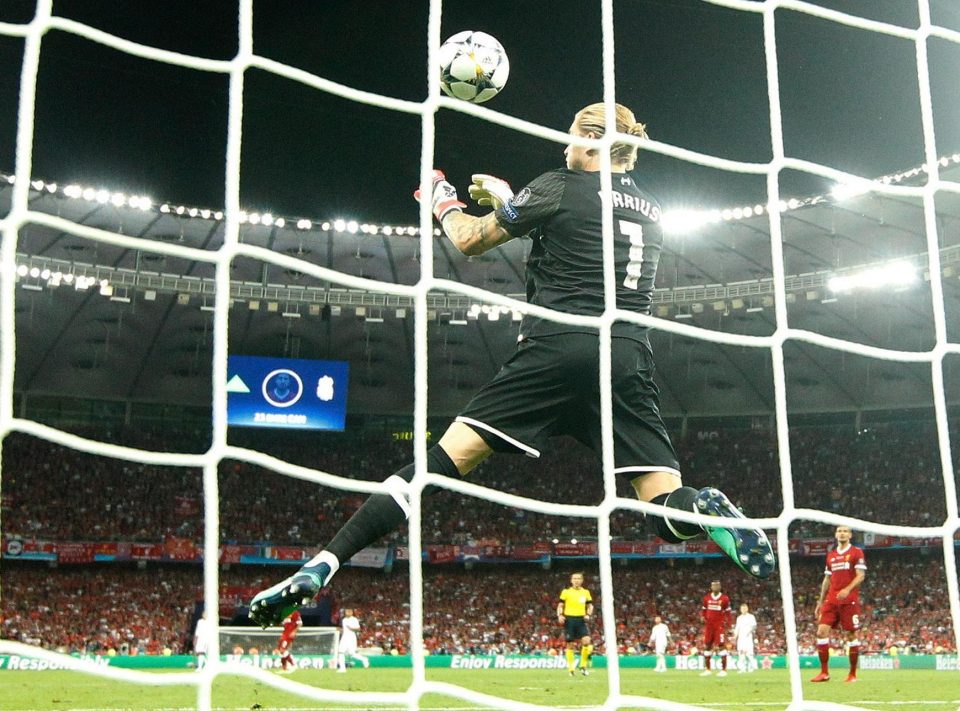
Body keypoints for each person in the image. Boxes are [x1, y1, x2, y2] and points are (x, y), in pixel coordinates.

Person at [248, 102, 776, 628]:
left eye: (570, 136)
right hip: (626, 359)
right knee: (663, 507)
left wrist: (440, 198)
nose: (563, 147)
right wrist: (514, 202)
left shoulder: (559, 184)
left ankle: (322, 565)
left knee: (438, 465)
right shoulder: (652, 210)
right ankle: (703, 510)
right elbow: (583, 233)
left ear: (592, 141)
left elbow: (470, 240)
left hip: (556, 350)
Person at [811, 525, 866, 683]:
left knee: (851, 635)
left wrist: (848, 590)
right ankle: (824, 673)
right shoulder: (831, 555)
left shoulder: (856, 552)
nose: (842, 533)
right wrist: (820, 602)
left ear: (850, 535)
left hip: (849, 600)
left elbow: (861, 576)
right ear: (836, 535)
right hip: (831, 600)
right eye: (839, 531)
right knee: (821, 632)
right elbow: (827, 579)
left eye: (845, 531)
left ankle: (852, 674)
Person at [557, 572, 594, 676]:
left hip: (581, 619)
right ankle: (571, 668)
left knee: (586, 640)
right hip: (569, 619)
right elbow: (560, 605)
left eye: (578, 578)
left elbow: (590, 606)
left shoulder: (586, 592)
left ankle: (582, 666)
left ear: (582, 580)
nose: (576, 580)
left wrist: (588, 614)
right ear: (571, 580)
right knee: (570, 644)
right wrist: (560, 615)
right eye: (574, 578)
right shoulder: (566, 592)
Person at [700, 580, 731, 677]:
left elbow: (728, 612)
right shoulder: (707, 598)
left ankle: (724, 670)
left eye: (717, 585)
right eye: (713, 585)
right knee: (707, 645)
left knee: (721, 646)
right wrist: (702, 617)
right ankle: (708, 669)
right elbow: (704, 610)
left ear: (720, 587)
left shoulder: (725, 598)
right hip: (709, 626)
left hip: (719, 626)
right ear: (711, 587)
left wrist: (729, 625)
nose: (715, 587)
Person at [337, 608, 370, 672]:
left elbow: (358, 629)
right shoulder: (344, 620)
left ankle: (364, 659)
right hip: (344, 637)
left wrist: (351, 628)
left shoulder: (354, 619)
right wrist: (340, 630)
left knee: (352, 654)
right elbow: (345, 630)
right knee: (340, 651)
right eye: (347, 611)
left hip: (351, 638)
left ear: (352, 612)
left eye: (350, 611)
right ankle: (342, 668)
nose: (348, 612)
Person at [733, 603, 758, 673]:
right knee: (741, 654)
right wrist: (735, 635)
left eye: (744, 608)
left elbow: (754, 625)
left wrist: (748, 631)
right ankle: (742, 668)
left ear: (747, 609)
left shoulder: (751, 617)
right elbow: (737, 628)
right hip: (740, 638)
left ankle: (751, 668)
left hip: (748, 638)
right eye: (742, 609)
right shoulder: (739, 618)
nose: (743, 610)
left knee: (749, 653)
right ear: (740, 610)